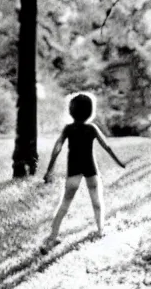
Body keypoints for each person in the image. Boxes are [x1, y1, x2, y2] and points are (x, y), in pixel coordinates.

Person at [41, 92, 125, 253]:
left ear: (71, 111)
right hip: (90, 169)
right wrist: (119, 162)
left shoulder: (68, 129)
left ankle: (52, 236)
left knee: (64, 204)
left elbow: (57, 149)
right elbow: (107, 147)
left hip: (73, 170)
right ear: (90, 111)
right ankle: (101, 230)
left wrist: (49, 170)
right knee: (97, 202)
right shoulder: (92, 128)